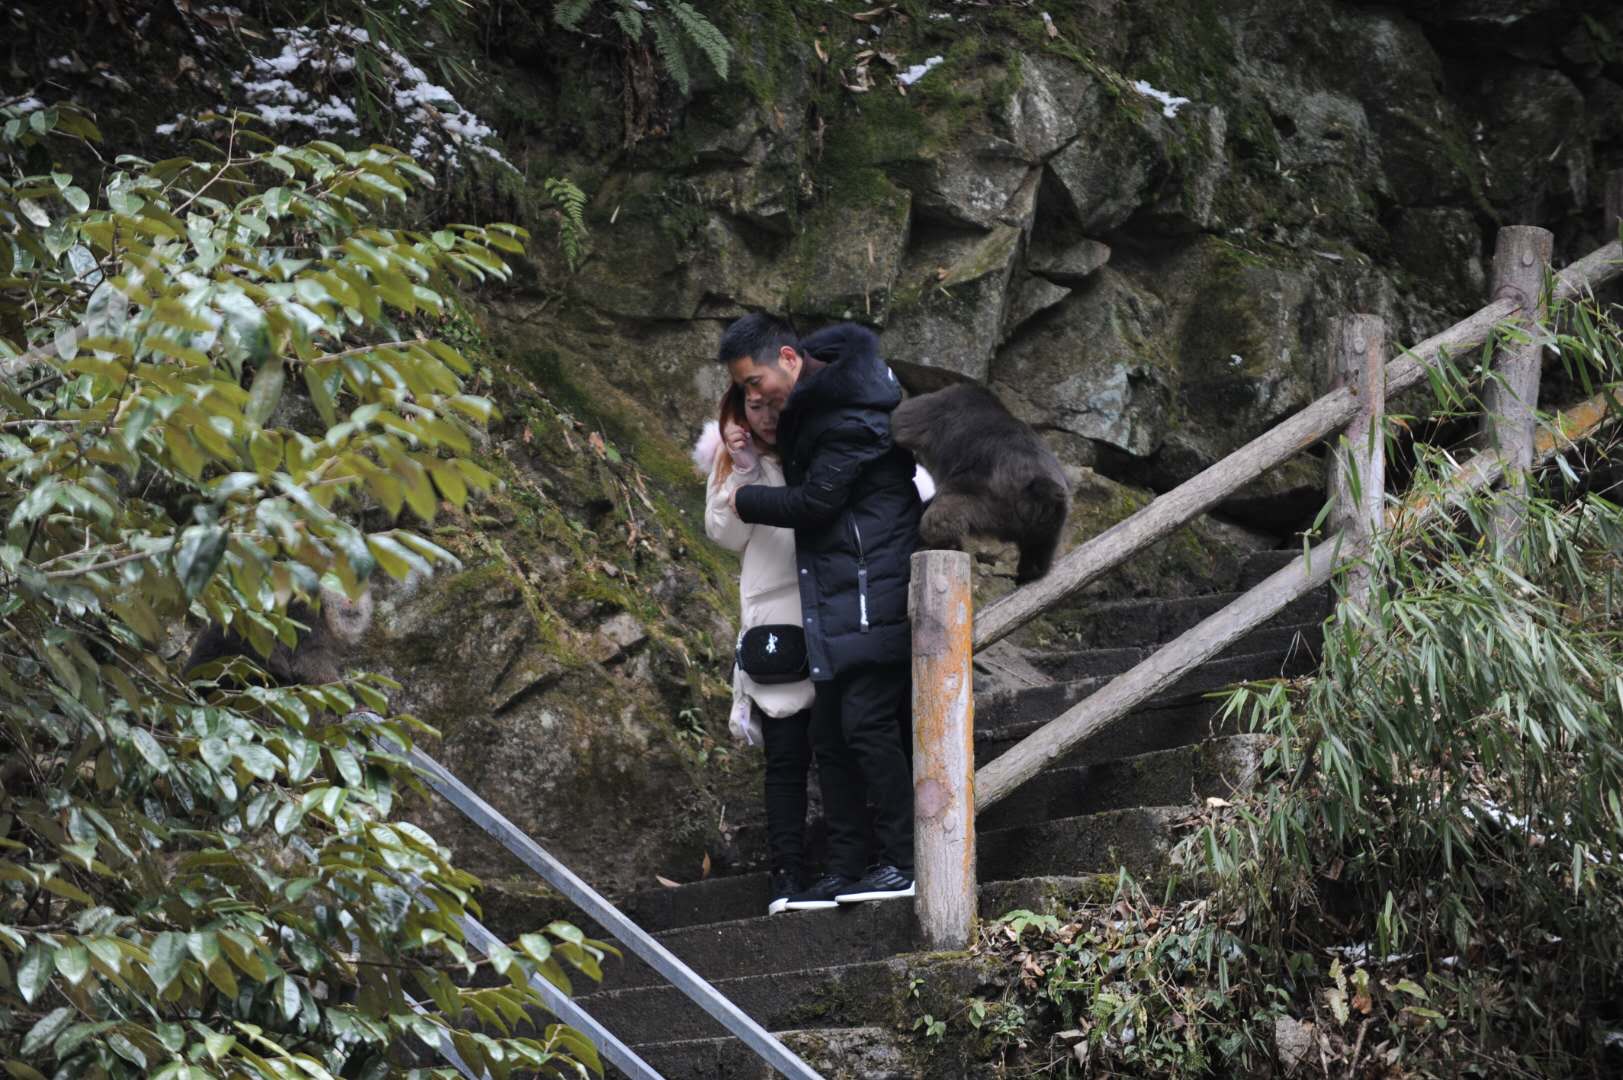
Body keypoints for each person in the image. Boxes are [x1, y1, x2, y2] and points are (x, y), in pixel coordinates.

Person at [718, 313, 923, 909]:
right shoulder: (815, 407)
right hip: (835, 593)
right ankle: (847, 865)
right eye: (744, 391)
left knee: (866, 724)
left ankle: (905, 860)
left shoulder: (852, 409)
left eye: (754, 383)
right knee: (831, 733)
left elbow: (817, 501)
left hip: (872, 589)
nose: (752, 397)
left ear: (787, 358)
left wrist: (745, 496)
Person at [695, 388, 817, 916]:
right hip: (780, 633)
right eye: (755, 408)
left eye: (775, 406)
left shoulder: (820, 451)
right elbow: (723, 533)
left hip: (834, 620)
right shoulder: (738, 465)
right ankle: (787, 874)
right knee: (786, 758)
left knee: (845, 750)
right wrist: (744, 468)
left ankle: (852, 863)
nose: (767, 418)